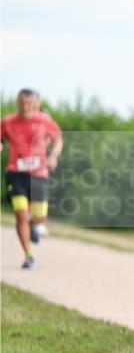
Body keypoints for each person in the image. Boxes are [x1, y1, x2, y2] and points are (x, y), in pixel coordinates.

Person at [2, 88, 62, 269]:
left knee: (40, 216)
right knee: (20, 214)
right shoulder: (7, 121)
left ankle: (32, 225)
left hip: (38, 175)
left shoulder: (44, 120)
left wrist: (54, 156)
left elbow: (58, 140)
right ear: (17, 103)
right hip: (15, 173)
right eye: (22, 102)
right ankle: (28, 256)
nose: (25, 106)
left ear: (35, 104)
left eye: (29, 103)